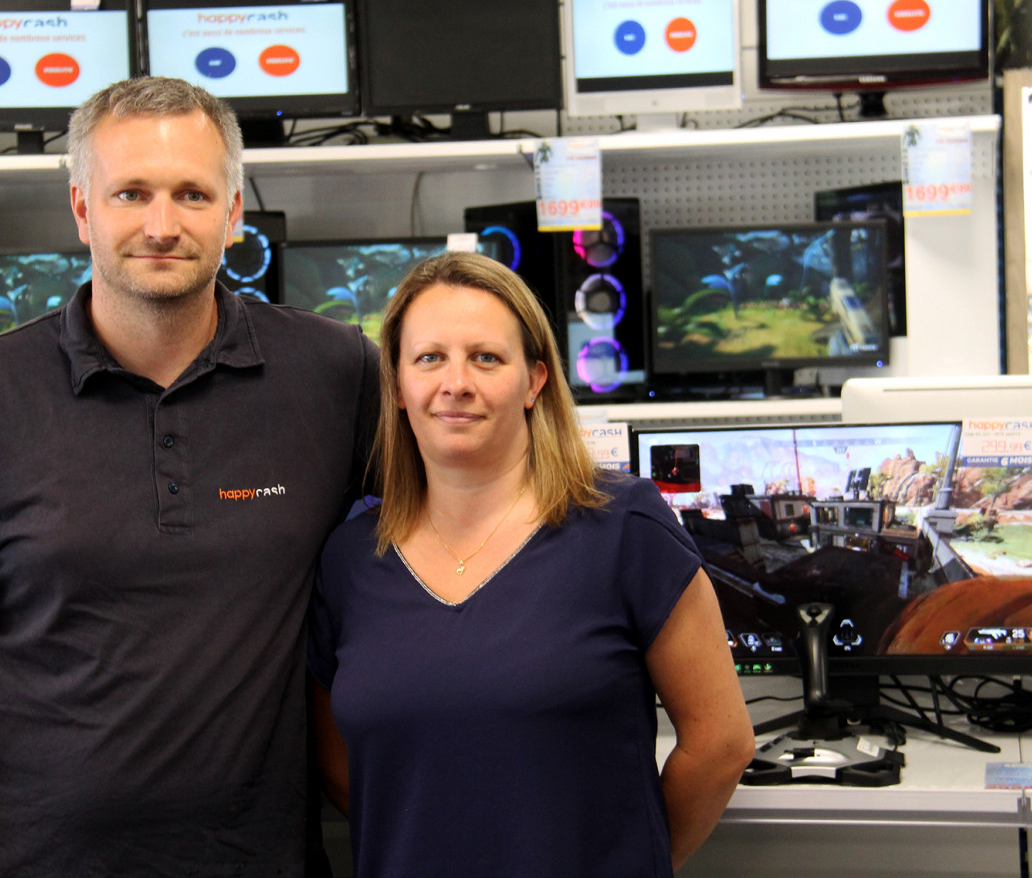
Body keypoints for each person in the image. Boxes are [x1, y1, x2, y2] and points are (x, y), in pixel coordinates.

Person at [0, 77, 378, 878]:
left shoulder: (336, 372)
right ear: (82, 209)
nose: (162, 225)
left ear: (234, 211)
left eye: (192, 194)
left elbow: (465, 515)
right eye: (130, 193)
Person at [308, 251, 754, 877]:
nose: (455, 382)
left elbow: (721, 744)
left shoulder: (624, 528)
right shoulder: (351, 560)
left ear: (535, 380)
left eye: (486, 358)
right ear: (399, 386)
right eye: (429, 357)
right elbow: (341, 766)